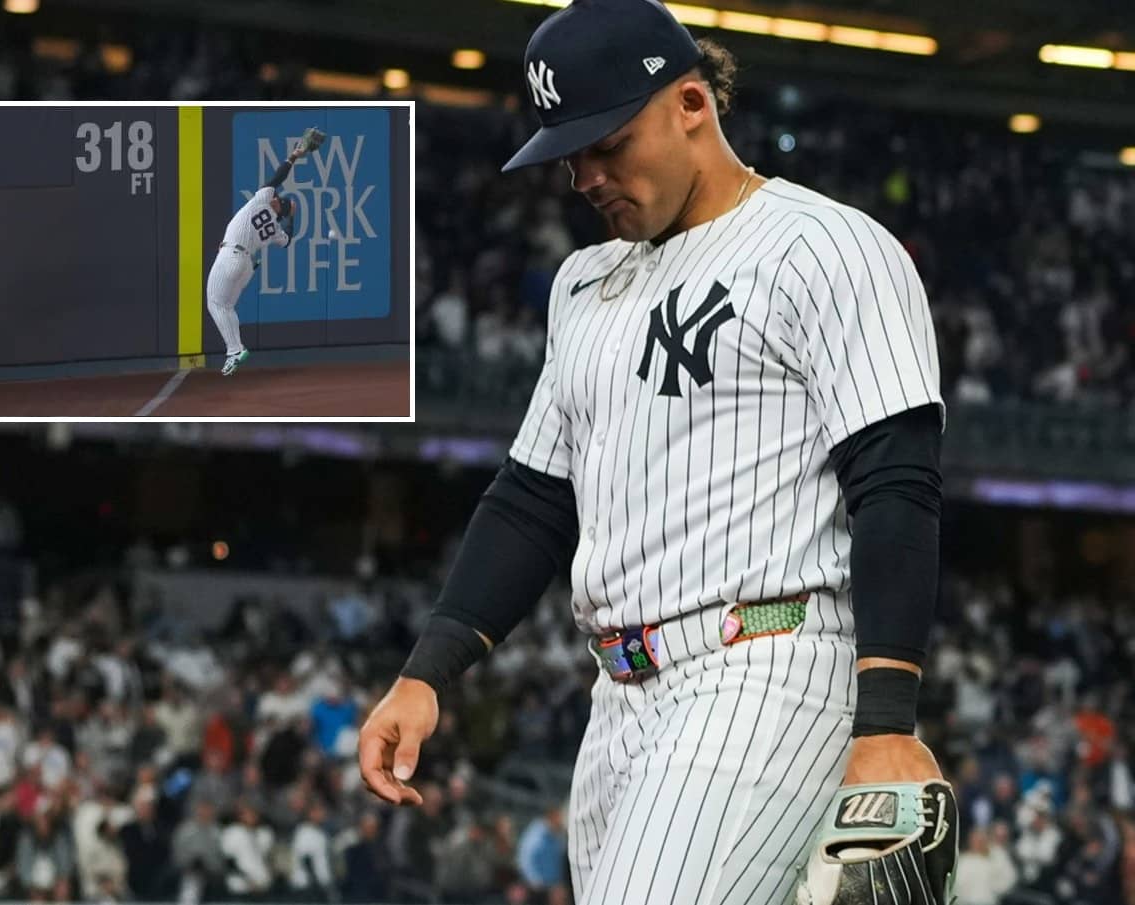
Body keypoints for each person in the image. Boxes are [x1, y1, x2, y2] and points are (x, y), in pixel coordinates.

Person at [359, 1, 954, 903]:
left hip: (767, 664)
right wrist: (426, 673)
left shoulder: (826, 247)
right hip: (622, 694)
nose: (587, 175)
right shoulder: (584, 282)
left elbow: (896, 483)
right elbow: (532, 498)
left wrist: (887, 722)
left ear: (690, 103)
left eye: (610, 143)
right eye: (572, 154)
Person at [206, 140, 305, 376]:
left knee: (215, 303)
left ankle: (234, 350)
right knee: (227, 306)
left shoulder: (260, 201)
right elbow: (288, 241)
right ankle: (234, 350)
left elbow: (277, 178)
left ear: (274, 202)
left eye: (276, 198)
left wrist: (293, 157)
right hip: (246, 265)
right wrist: (291, 217)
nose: (274, 195)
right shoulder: (275, 230)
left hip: (232, 255)